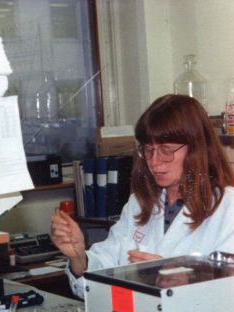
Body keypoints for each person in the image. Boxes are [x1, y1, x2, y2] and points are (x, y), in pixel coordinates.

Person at [51, 94, 234, 298]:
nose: (154, 162)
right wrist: (78, 257)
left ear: (197, 149)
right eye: (148, 150)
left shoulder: (228, 208)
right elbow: (102, 277)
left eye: (166, 150)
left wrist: (185, 280)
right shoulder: (139, 204)